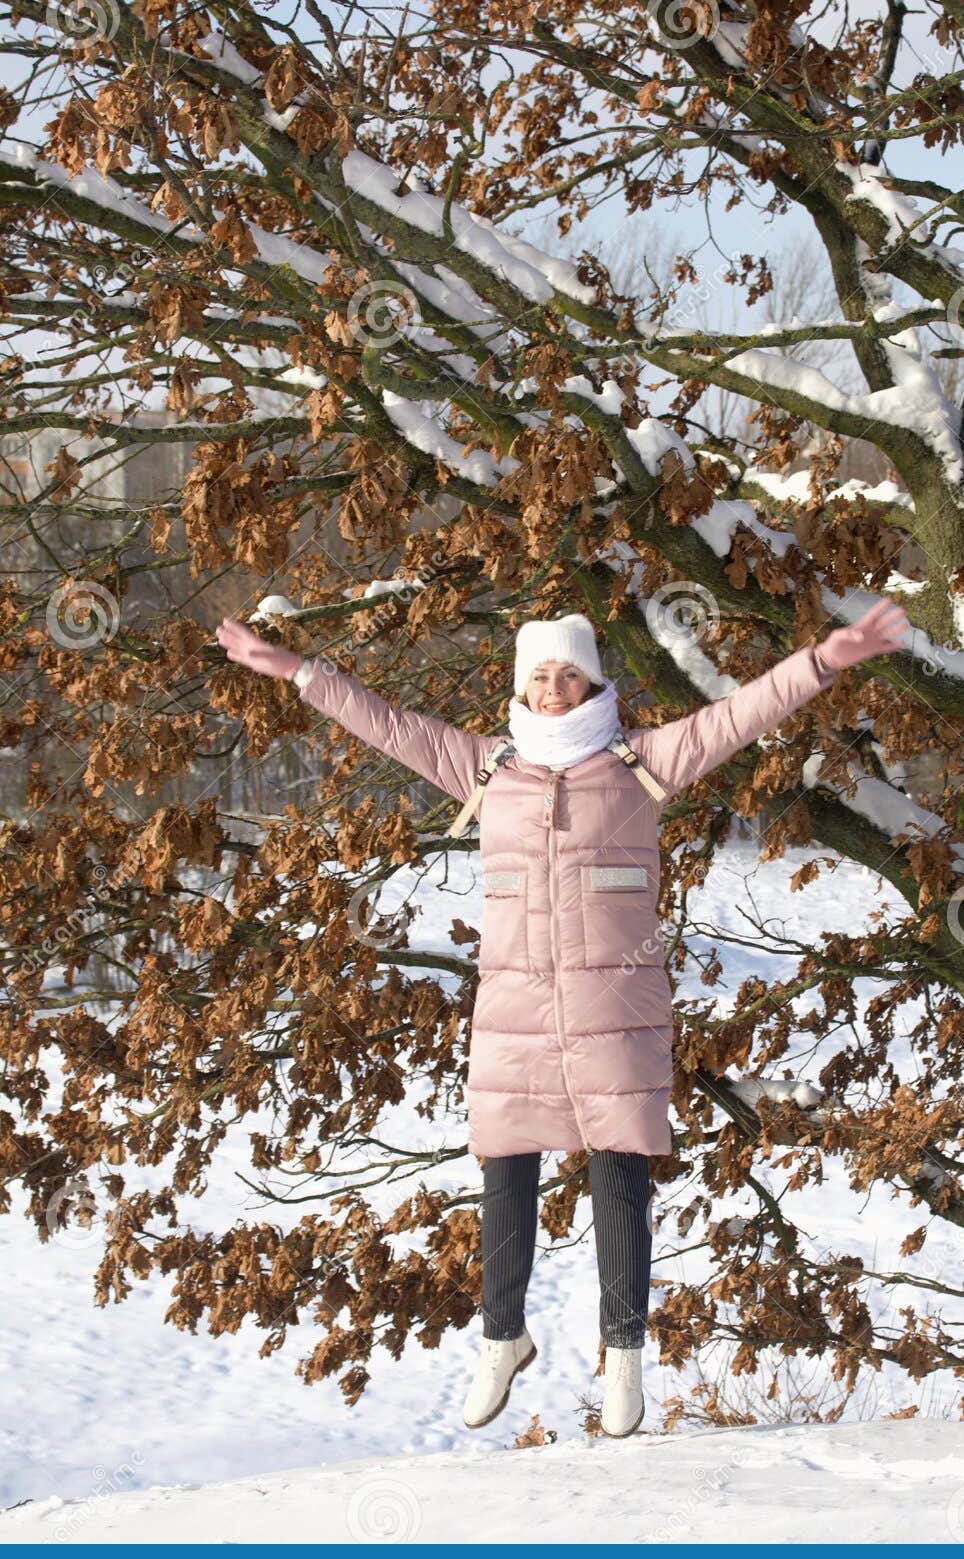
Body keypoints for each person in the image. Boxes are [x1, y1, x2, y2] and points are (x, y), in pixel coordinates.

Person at [215, 595, 908, 1438]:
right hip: (514, 1009)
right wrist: (298, 670)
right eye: (539, 674)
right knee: (504, 1170)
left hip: (615, 1004)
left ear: (592, 682)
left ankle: (623, 1354)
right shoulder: (480, 766)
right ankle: (502, 1339)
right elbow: (385, 723)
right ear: (521, 682)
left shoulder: (641, 763)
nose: (551, 687)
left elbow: (740, 714)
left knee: (620, 1173)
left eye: (567, 673)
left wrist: (823, 660)